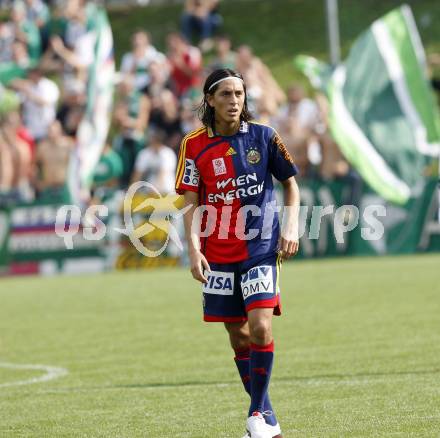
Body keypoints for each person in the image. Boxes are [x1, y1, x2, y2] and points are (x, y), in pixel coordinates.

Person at [175, 68, 300, 438]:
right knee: (239, 336)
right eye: (226, 94)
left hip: (260, 247)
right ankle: (267, 419)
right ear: (209, 100)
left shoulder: (264, 136)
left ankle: (255, 412)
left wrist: (291, 227)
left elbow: (291, 185)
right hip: (217, 252)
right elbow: (191, 204)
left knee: (261, 326)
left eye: (239, 94)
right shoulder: (193, 145)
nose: (234, 101)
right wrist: (194, 250)